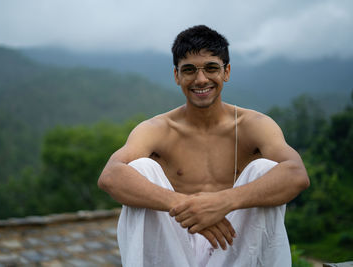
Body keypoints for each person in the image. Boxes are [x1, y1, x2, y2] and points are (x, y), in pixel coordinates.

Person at [98, 25, 310, 267]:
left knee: (264, 168)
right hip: (174, 247)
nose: (201, 79)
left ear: (226, 72)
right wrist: (185, 206)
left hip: (234, 244)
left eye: (211, 68)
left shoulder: (254, 125)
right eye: (189, 70)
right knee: (141, 167)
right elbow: (111, 175)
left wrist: (224, 202)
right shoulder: (157, 129)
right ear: (176, 75)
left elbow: (296, 174)